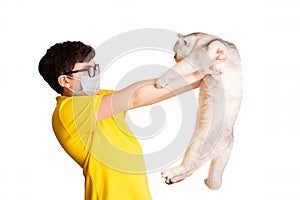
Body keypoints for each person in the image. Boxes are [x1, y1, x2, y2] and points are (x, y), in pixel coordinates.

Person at [38, 41, 223, 200]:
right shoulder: (67, 111)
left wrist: (199, 78)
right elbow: (136, 97)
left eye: (96, 68)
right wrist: (197, 74)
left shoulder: (102, 98)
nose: (96, 75)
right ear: (65, 81)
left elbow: (152, 93)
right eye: (88, 71)